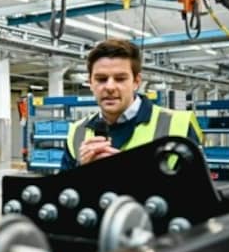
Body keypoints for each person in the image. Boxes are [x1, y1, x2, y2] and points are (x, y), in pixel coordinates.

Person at [60, 39, 203, 171]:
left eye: (120, 79)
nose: (110, 87)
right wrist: (82, 171)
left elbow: (194, 193)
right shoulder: (77, 133)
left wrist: (128, 173)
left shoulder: (178, 126)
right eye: (101, 79)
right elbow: (64, 193)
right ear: (90, 83)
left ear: (136, 81)